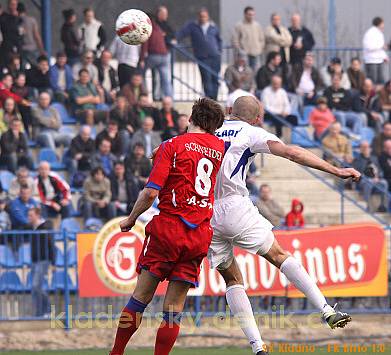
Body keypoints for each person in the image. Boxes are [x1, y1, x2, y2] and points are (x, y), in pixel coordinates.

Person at [208, 96, 359, 355]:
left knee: (232, 278)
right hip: (235, 206)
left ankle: (257, 346)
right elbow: (291, 152)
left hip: (207, 213)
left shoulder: (207, 130)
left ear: (230, 111)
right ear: (257, 118)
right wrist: (335, 170)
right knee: (279, 255)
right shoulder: (251, 132)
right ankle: (325, 309)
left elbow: (168, 150)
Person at [110, 97, 225, 355]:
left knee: (140, 298)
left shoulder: (172, 145)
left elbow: (150, 194)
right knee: (174, 308)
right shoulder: (220, 147)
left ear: (191, 119)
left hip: (169, 229)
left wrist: (130, 219)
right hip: (198, 234)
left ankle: (116, 352)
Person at [177, 8, 222, 100]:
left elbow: (219, 39)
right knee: (206, 78)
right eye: (201, 16)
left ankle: (215, 99)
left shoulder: (213, 27)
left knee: (215, 78)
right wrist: (174, 39)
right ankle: (209, 99)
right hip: (202, 57)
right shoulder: (193, 26)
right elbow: (182, 33)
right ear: (198, 17)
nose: (203, 18)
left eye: (204, 16)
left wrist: (219, 50)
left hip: (215, 56)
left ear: (208, 17)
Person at [28, 207, 54, 317]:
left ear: (37, 215)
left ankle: (47, 309)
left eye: (31, 215)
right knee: (37, 288)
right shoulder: (32, 228)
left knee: (36, 286)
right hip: (35, 261)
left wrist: (53, 261)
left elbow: (50, 244)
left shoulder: (45, 226)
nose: (29, 218)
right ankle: (40, 312)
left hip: (43, 260)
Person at [140, 16, 173, 99]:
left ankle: (144, 94)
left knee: (140, 73)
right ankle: (169, 98)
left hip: (154, 56)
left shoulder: (147, 29)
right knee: (165, 80)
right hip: (164, 56)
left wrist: (142, 59)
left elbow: (145, 45)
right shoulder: (158, 28)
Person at [353, 141, 388, 212]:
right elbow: (357, 173)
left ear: (370, 148)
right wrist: (368, 178)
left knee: (384, 182)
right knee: (368, 182)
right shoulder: (357, 160)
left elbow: (380, 170)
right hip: (364, 181)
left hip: (376, 181)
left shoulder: (374, 158)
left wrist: (378, 177)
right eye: (364, 147)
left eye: (367, 147)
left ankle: (382, 206)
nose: (366, 149)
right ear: (360, 149)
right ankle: (366, 205)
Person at [231, 6, 265, 71]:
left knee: (254, 72)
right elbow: (235, 39)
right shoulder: (239, 25)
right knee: (244, 72)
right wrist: (240, 50)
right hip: (244, 54)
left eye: (253, 15)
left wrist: (260, 49)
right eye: (249, 14)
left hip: (255, 54)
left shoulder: (257, 25)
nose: (251, 16)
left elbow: (262, 39)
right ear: (245, 14)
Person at [362, 17, 388, 85]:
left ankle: (380, 95)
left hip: (379, 60)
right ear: (379, 23)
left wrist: (384, 57)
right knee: (372, 81)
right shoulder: (369, 33)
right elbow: (369, 47)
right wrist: (381, 46)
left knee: (381, 80)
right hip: (371, 60)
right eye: (382, 23)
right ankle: (372, 95)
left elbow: (381, 48)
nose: (383, 25)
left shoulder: (380, 33)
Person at [0, 0, 23, 67]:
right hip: (6, 49)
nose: (13, 6)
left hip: (18, 48)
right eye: (12, 4)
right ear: (8, 5)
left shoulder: (19, 19)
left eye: (15, 4)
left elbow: (21, 33)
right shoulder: (3, 18)